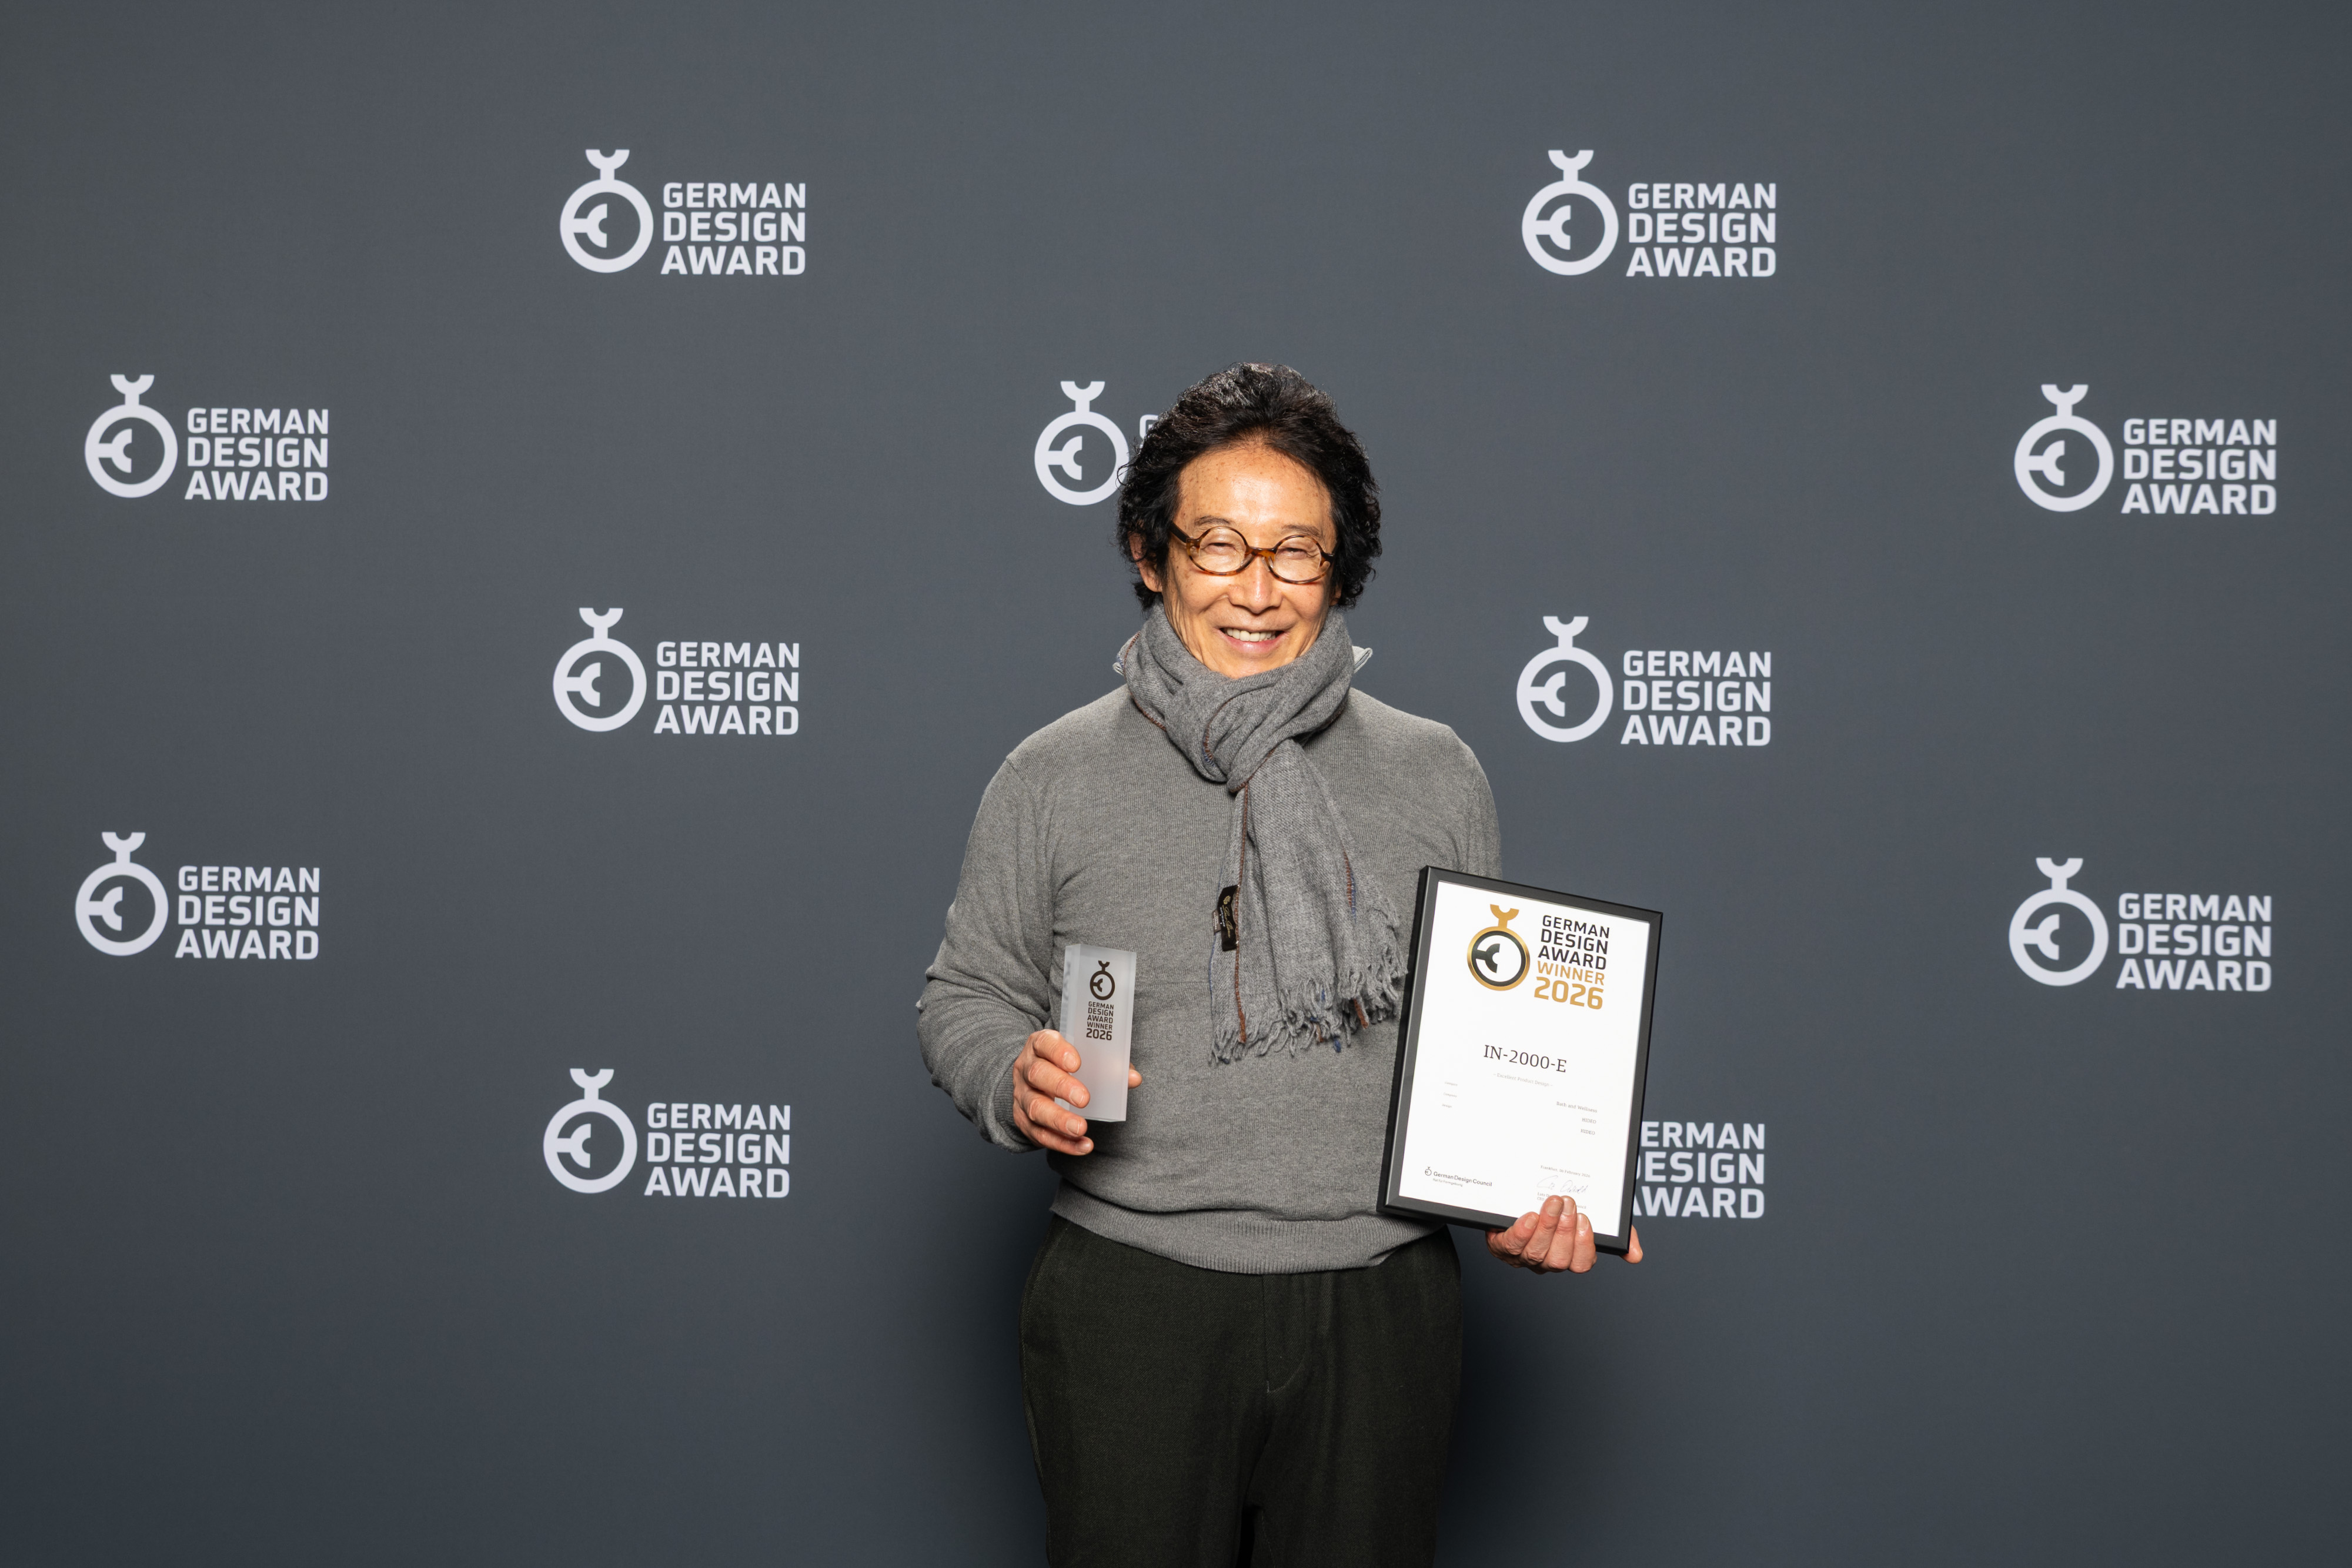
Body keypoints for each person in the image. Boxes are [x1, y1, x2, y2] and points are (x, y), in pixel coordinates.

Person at [918, 363, 1640, 1567]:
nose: (1255, 590)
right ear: (1150, 555)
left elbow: (1489, 1038)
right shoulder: (1051, 774)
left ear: (1339, 574)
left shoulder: (1436, 773)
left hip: (1381, 1299)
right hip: (1132, 1295)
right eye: (1217, 544)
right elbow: (968, 993)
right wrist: (1012, 1074)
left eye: (1295, 553)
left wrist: (1545, 1182)